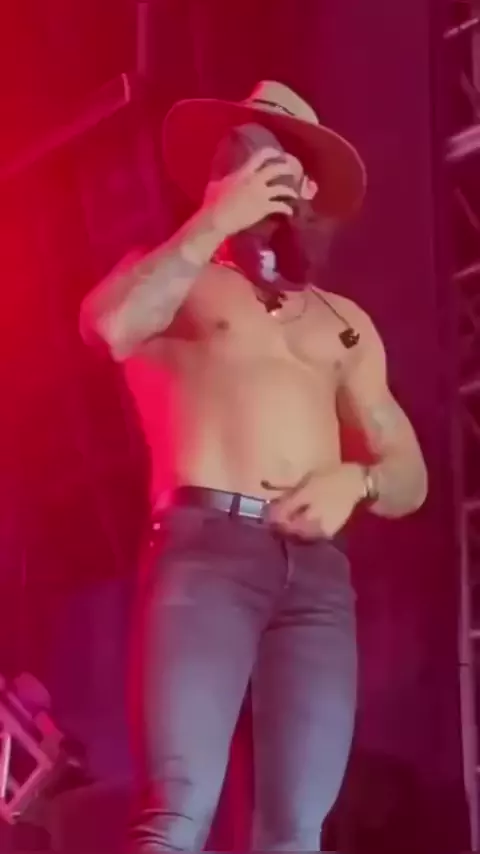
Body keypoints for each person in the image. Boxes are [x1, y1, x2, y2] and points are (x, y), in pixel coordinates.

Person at [80, 81, 428, 852]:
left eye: (285, 157)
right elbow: (108, 325)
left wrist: (359, 480)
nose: (267, 170)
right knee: (176, 811)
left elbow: (410, 471)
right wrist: (213, 221)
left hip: (317, 579)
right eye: (247, 153)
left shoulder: (341, 322)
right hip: (207, 553)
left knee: (296, 831)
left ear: (310, 188)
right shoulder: (175, 276)